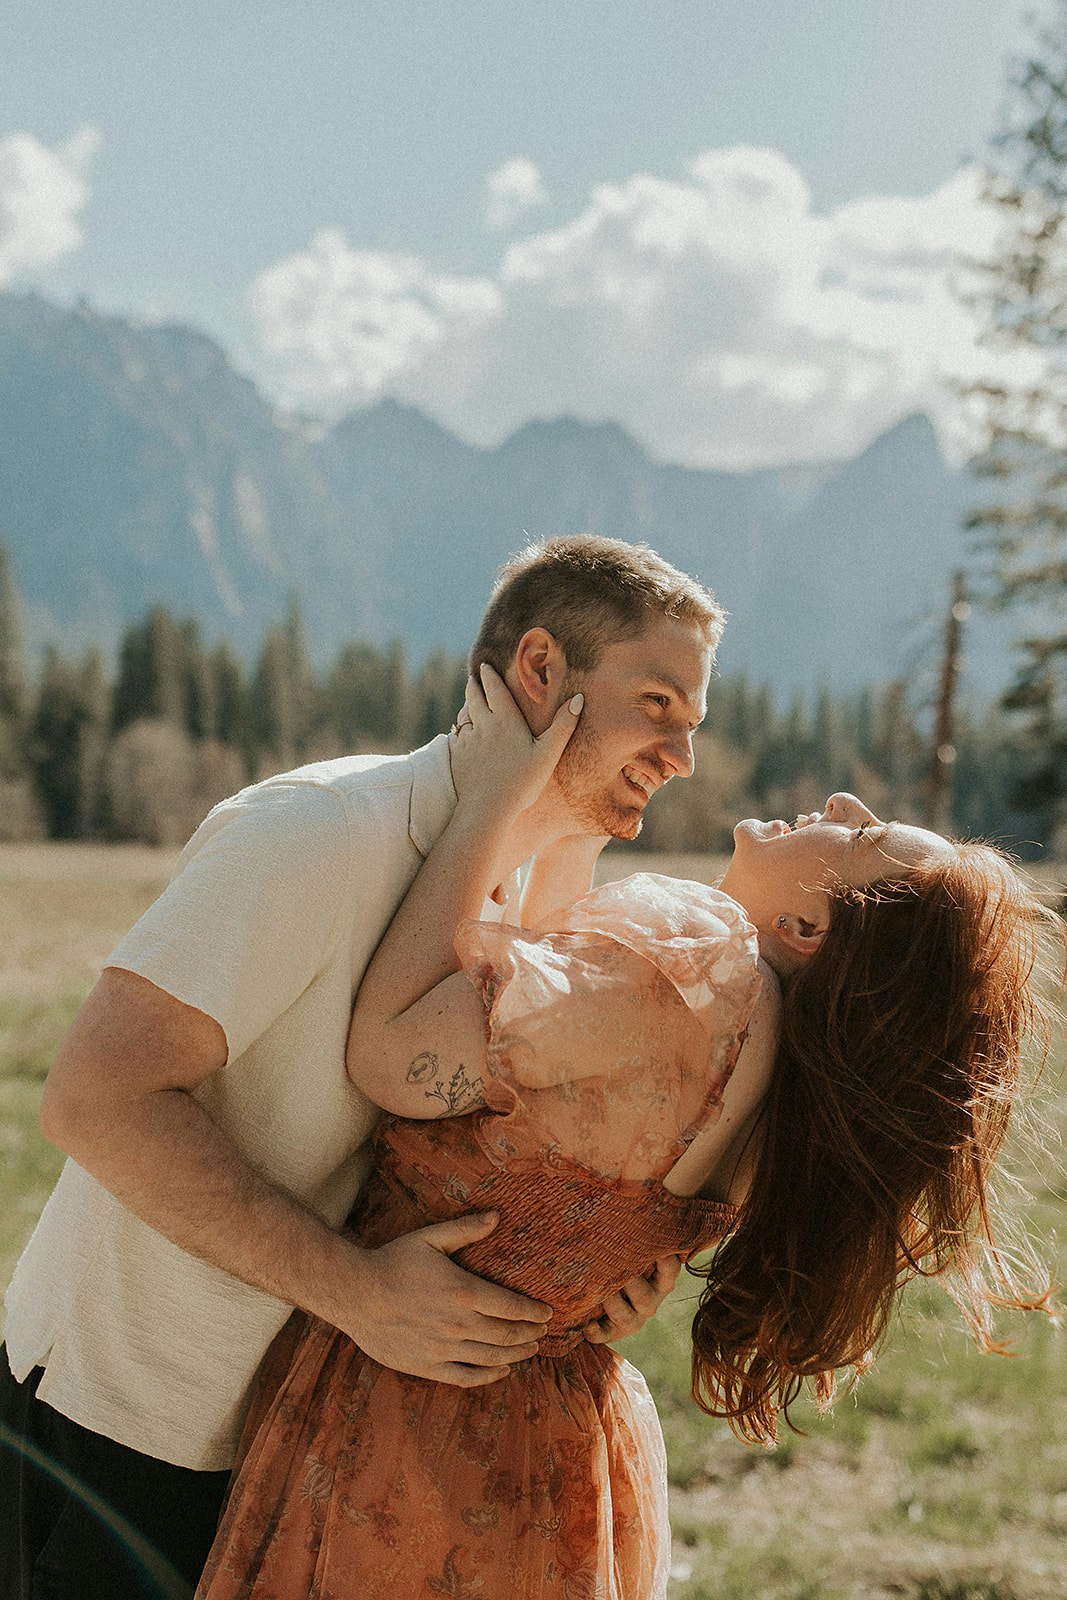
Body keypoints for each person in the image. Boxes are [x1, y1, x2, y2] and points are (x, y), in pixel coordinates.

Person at [195, 668, 1059, 1600]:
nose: (842, 800)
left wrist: (491, 799)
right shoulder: (786, 1099)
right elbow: (549, 1037)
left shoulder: (695, 964)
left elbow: (391, 1050)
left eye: (857, 835)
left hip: (412, 1428)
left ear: (809, 924)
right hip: (562, 1447)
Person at [0, 535, 725, 1600]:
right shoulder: (320, 831)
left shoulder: (518, 891)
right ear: (538, 671)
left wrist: (594, 1274)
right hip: (127, 1431)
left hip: (312, 1451)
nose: (681, 754)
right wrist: (356, 1293)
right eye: (656, 703)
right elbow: (94, 1098)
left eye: (691, 723)